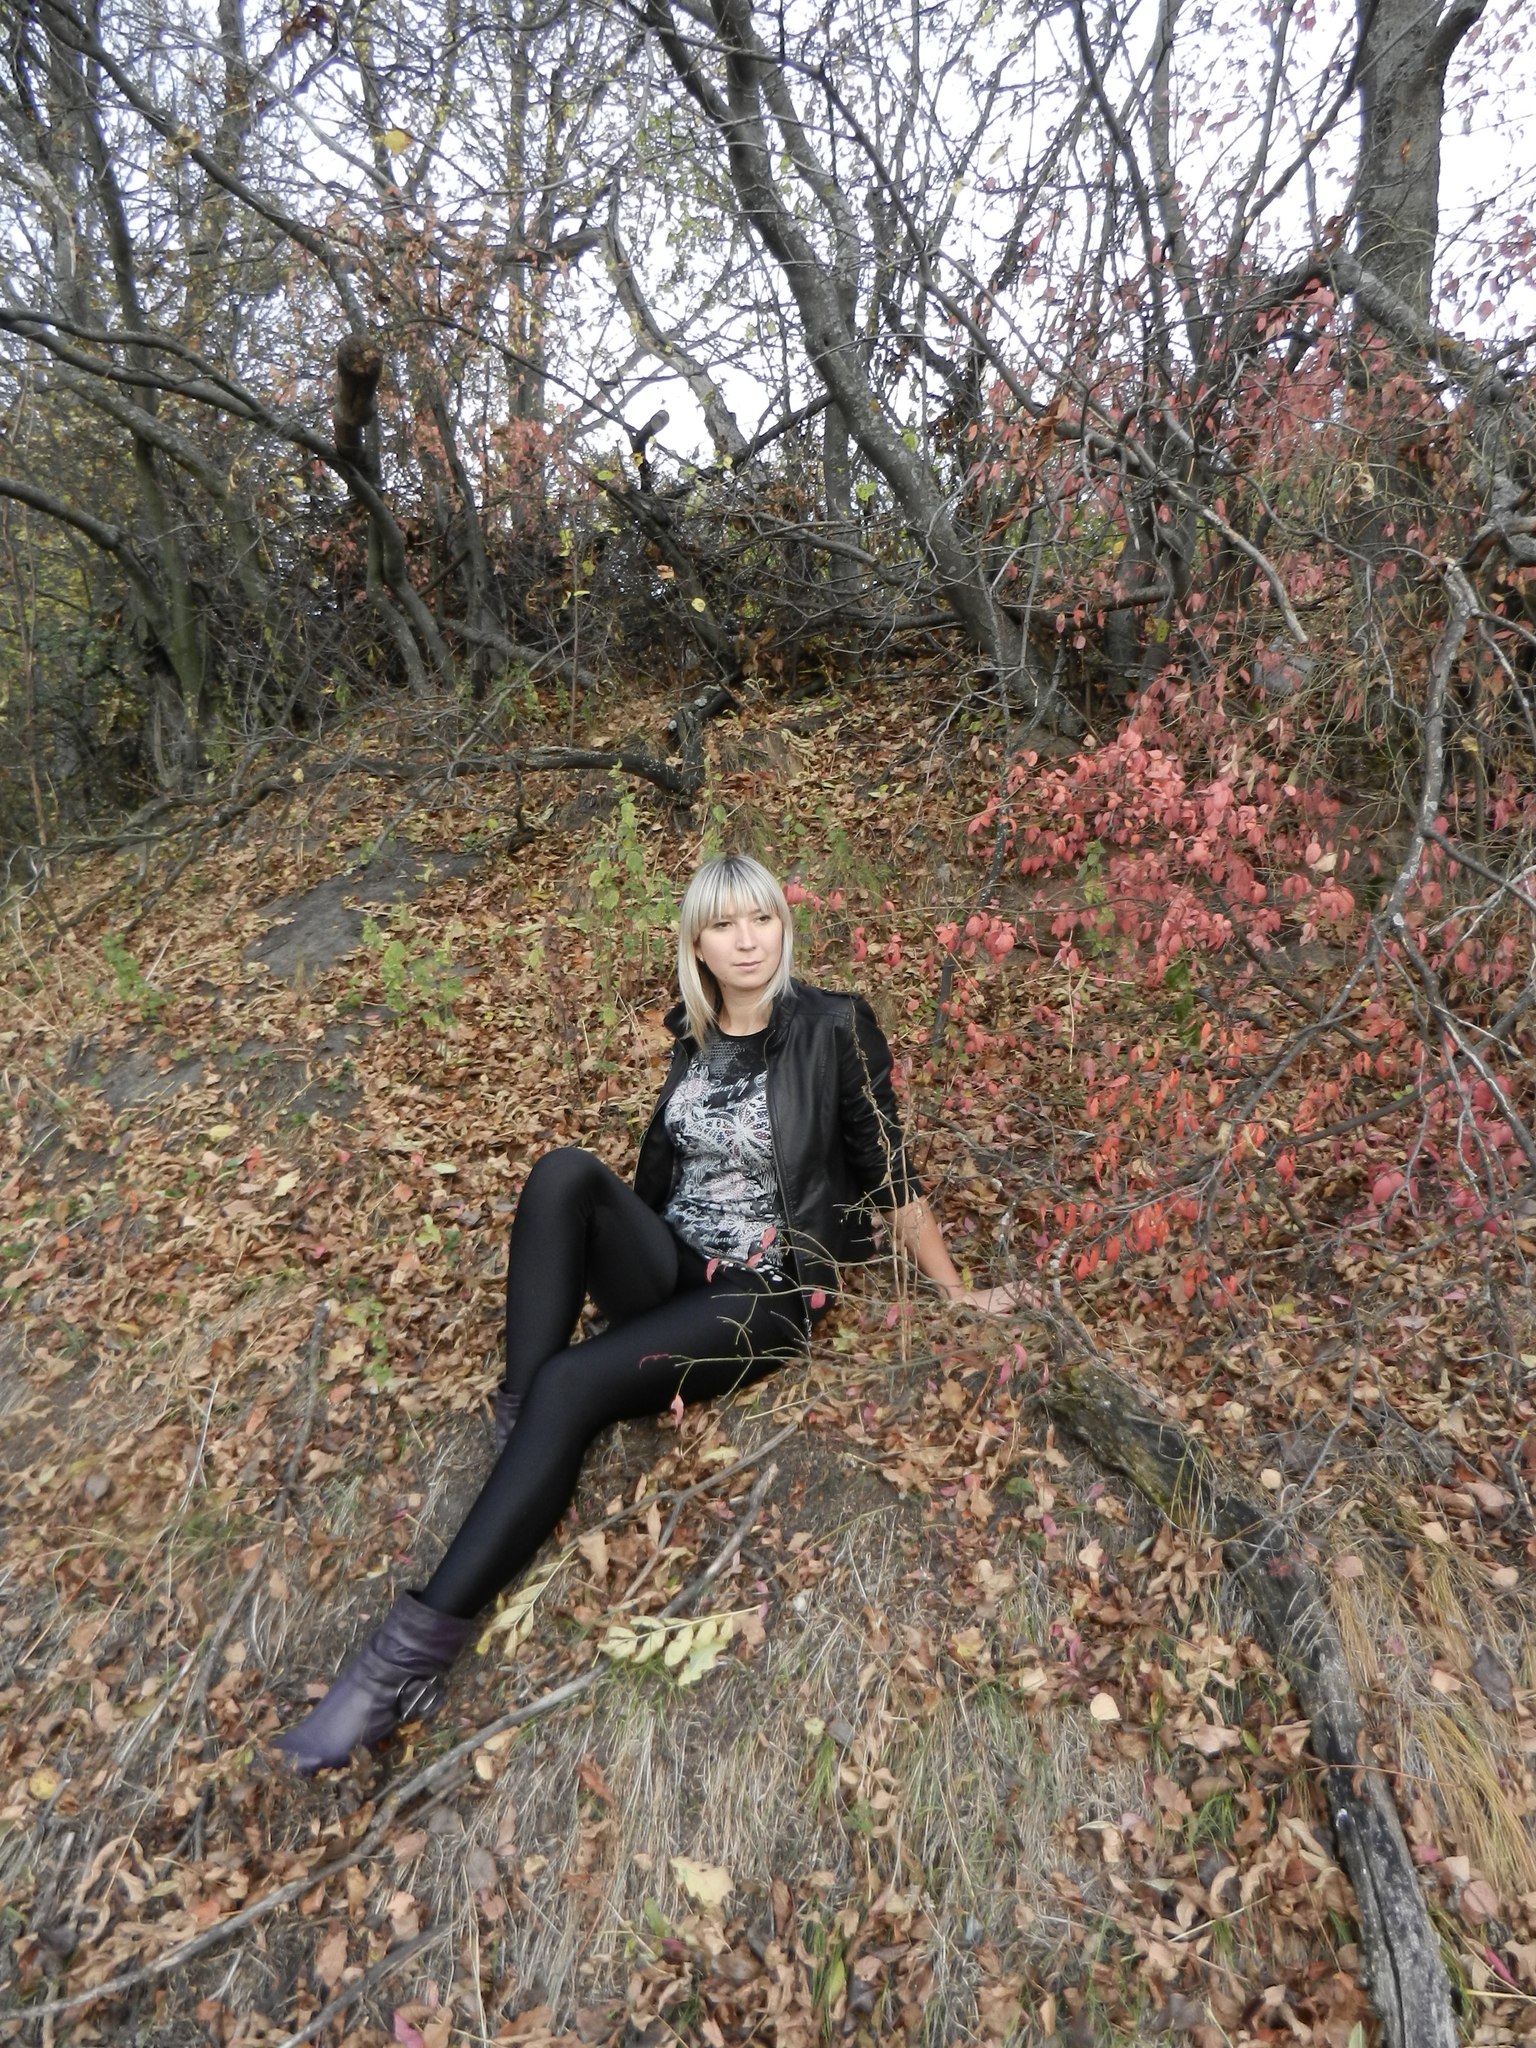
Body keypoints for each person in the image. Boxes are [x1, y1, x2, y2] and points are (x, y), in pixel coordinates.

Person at [272, 854, 1016, 1773]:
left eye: (763, 919)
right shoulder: (694, 1035)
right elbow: (665, 1175)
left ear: (784, 927)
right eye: (725, 925)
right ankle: (523, 1434)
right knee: (563, 1174)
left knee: (573, 1383)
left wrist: (953, 1288)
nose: (748, 941)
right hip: (674, 1259)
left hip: (763, 1292)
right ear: (697, 944)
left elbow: (889, 1168)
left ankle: (399, 1668)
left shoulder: (833, 1025)